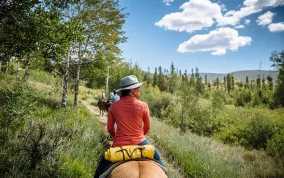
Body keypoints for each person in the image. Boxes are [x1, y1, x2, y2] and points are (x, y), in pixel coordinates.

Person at [94, 75, 164, 178]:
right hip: (141, 143)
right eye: (137, 87)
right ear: (131, 90)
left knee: (100, 168)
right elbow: (147, 127)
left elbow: (110, 128)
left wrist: (116, 137)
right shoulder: (143, 105)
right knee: (161, 164)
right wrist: (138, 136)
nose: (140, 89)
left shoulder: (113, 106)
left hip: (119, 145)